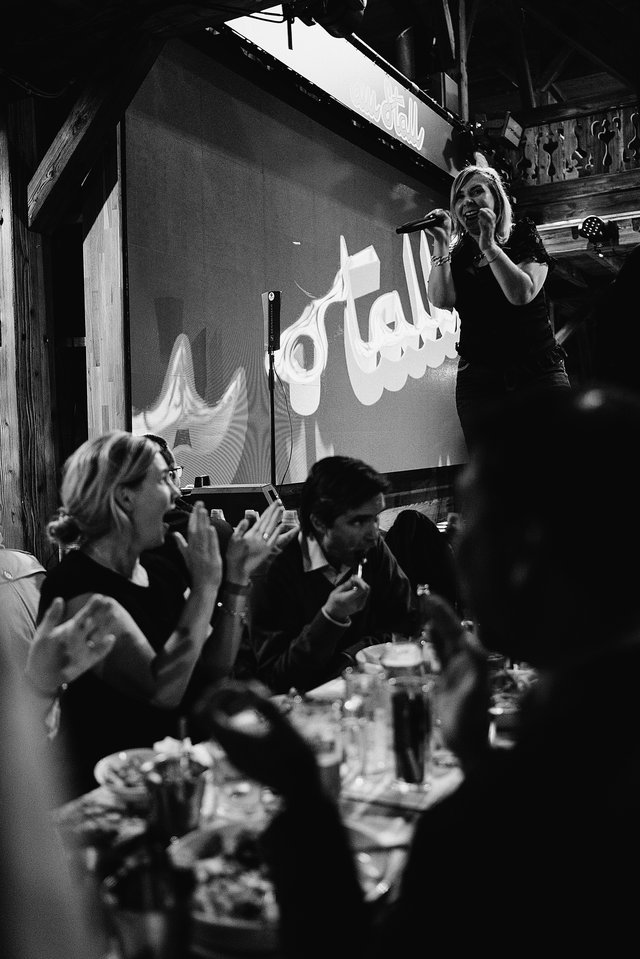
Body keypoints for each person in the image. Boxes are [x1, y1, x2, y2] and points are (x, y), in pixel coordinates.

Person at [197, 386, 640, 958]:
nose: (454, 539)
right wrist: (476, 756)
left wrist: (305, 804)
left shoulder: (472, 830)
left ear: (525, 554)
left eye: (471, 518)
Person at [38, 430, 283, 799]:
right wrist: (205, 587)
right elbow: (164, 691)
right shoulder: (79, 588)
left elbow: (211, 668)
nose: (177, 492)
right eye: (164, 479)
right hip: (113, 790)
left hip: (177, 773)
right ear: (125, 496)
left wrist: (236, 579)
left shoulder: (158, 567)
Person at [424, 163, 571, 450]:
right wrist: (441, 244)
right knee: (494, 476)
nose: (467, 201)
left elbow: (521, 293)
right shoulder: (461, 255)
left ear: (496, 199)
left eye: (476, 191)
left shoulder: (523, 237)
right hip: (480, 383)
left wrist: (489, 245)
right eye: (459, 197)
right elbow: (441, 300)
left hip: (537, 375)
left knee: (554, 470)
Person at [248, 455, 419, 694]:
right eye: (358, 521)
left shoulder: (372, 549)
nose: (373, 533)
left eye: (376, 517)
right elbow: (277, 679)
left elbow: (407, 624)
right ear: (318, 522)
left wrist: (350, 656)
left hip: (367, 692)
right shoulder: (274, 568)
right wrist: (331, 617)